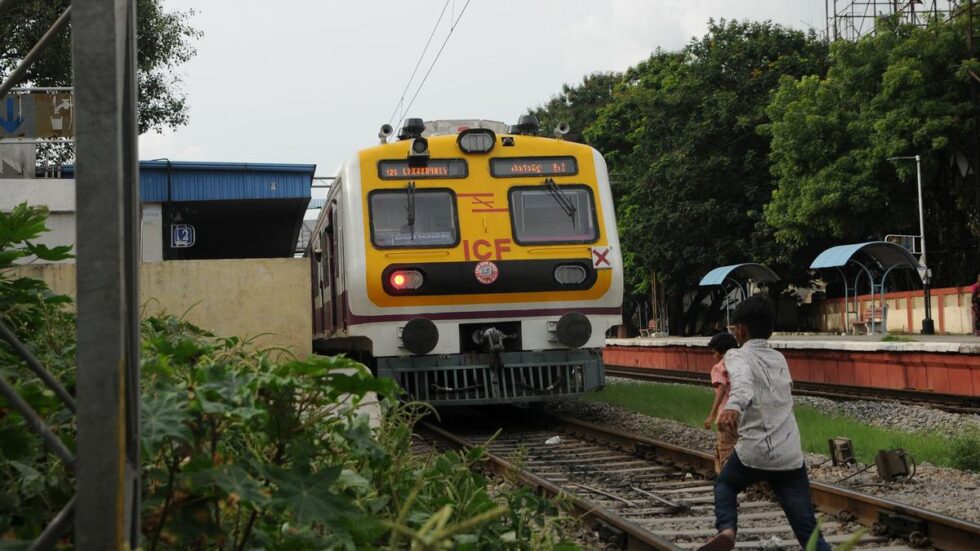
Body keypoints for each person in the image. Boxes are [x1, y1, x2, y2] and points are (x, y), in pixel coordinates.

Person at [697, 296, 829, 551]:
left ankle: (726, 530)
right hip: (789, 454)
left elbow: (743, 384)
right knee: (808, 531)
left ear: (740, 330)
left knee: (725, 483)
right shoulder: (779, 358)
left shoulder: (736, 354)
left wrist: (733, 407)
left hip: (754, 452)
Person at [704, 332, 739, 474]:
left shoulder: (719, 367)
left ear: (720, 352)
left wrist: (711, 415)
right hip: (744, 415)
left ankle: (727, 482)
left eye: (714, 353)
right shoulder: (742, 364)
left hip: (726, 416)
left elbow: (722, 389)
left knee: (725, 451)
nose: (714, 356)